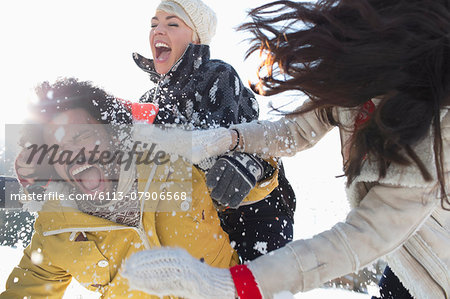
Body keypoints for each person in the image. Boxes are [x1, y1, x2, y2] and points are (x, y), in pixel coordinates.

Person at [122, 0, 450, 298]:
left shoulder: (435, 138)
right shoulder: (357, 88)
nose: (158, 30)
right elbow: (294, 131)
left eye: (172, 23)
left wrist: (234, 284)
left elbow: (356, 239)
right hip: (409, 260)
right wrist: (230, 138)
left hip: (437, 270)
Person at [1, 78, 242, 298]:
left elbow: (263, 193)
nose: (71, 154)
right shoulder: (57, 230)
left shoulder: (175, 163)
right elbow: (25, 292)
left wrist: (252, 168)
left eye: (80, 136)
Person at [133, 0, 296, 262]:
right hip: (202, 218)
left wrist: (246, 161)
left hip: (255, 213)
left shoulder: (217, 75)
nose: (158, 30)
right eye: (154, 24)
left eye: (172, 24)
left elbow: (224, 142)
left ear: (197, 38)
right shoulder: (148, 101)